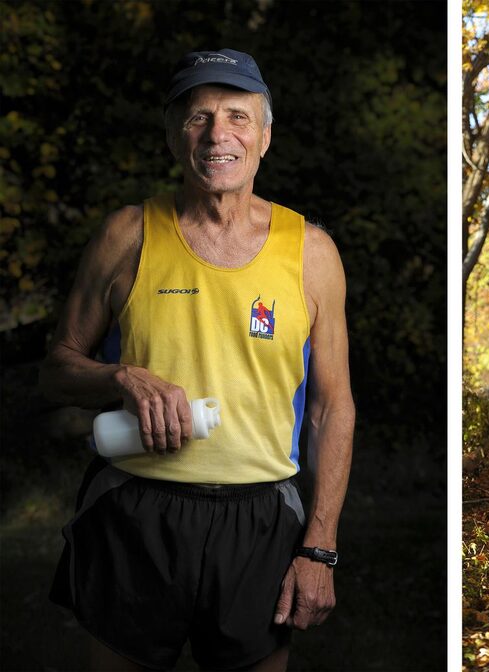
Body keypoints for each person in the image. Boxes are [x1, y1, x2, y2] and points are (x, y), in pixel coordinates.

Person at [40, 48, 355, 671]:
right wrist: (119, 377)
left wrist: (318, 547)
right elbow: (56, 369)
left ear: (264, 137)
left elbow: (331, 405)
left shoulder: (311, 252)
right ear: (172, 136)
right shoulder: (126, 234)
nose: (219, 134)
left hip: (262, 519)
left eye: (238, 116)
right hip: (135, 509)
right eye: (198, 117)